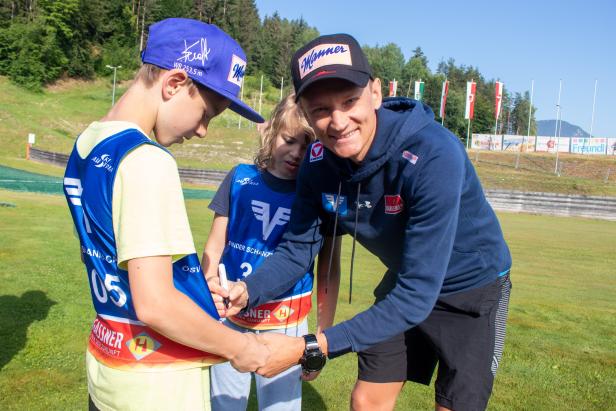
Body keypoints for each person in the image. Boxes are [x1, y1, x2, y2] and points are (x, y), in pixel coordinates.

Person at [217, 33, 513, 411]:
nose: (338, 121)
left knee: (454, 405)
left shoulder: (435, 154)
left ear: (375, 93)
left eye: (349, 101)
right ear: (305, 113)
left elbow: (418, 293)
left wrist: (310, 346)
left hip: (473, 287)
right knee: (366, 401)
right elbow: (297, 251)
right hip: (407, 281)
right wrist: (247, 289)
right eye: (321, 109)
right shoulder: (317, 163)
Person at [63, 18, 269, 411]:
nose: (204, 130)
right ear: (174, 84)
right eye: (207, 112)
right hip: (156, 385)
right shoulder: (147, 161)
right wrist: (245, 348)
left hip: (109, 369)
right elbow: (155, 304)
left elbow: (121, 265)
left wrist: (191, 293)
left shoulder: (87, 144)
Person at [203, 94, 341, 411]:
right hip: (231, 319)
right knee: (224, 406)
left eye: (308, 145)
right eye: (289, 140)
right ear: (270, 132)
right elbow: (214, 244)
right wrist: (209, 284)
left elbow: (328, 269)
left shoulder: (319, 196)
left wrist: (321, 337)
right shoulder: (239, 178)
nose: (296, 153)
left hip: (287, 323)